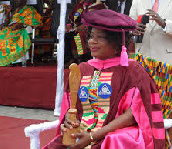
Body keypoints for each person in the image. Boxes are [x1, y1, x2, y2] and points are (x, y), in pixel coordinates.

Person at [44, 9, 165, 149]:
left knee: (114, 141)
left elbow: (133, 114)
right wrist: (69, 121)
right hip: (82, 132)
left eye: (100, 37)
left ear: (116, 43)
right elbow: (72, 107)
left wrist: (93, 137)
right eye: (91, 36)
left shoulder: (132, 70)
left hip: (113, 134)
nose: (92, 42)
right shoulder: (82, 69)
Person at [129, 0, 172, 147]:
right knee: (140, 111)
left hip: (169, 67)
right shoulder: (137, 0)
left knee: (168, 114)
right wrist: (133, 30)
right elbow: (129, 26)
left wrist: (164, 23)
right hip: (142, 65)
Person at [64, 0, 107, 68]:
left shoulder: (99, 6)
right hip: (76, 29)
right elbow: (71, 18)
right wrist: (69, 25)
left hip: (91, 30)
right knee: (65, 36)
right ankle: (69, 59)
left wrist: (85, 26)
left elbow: (99, 20)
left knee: (80, 35)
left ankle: (83, 59)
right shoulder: (79, 5)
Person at [0, 0, 42, 66]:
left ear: (24, 1)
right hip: (11, 29)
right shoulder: (15, 10)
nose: (16, 1)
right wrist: (8, 13)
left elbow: (35, 22)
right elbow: (7, 23)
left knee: (7, 37)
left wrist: (19, 25)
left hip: (23, 30)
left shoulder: (29, 10)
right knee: (2, 34)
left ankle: (12, 60)